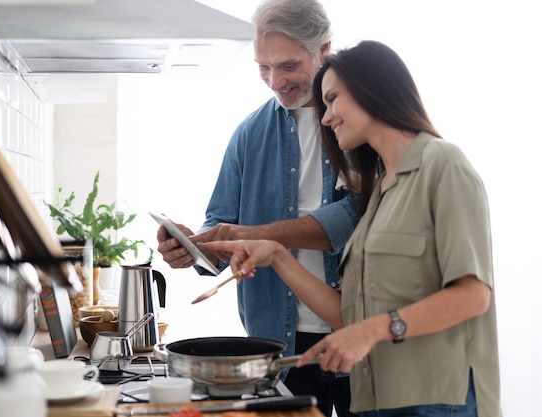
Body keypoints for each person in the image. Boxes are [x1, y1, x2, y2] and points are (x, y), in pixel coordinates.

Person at [200, 40, 503, 417]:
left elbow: (473, 296)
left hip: (436, 401)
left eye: (332, 100)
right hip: (374, 400)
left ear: (371, 90)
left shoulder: (442, 164)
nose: (325, 117)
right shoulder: (378, 193)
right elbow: (350, 318)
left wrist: (373, 330)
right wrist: (277, 255)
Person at [156, 1, 359, 416]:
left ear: (323, 49)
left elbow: (352, 218)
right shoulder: (249, 133)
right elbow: (223, 223)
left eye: (287, 66)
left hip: (356, 332)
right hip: (278, 346)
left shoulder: (358, 124)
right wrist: (197, 247)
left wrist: (252, 236)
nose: (274, 82)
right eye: (263, 68)